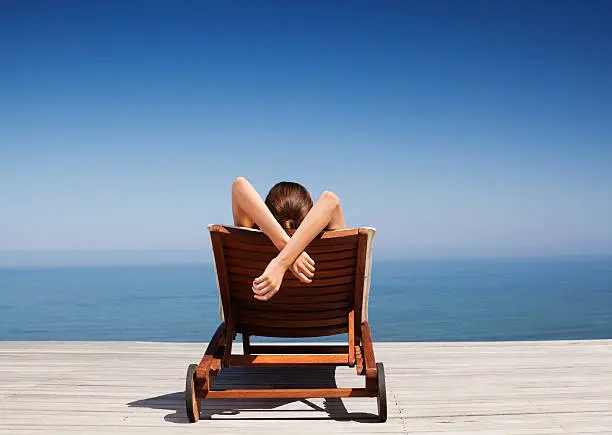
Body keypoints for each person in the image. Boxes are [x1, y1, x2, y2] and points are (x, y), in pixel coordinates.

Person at [231, 177, 346, 301]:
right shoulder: (331, 244)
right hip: (328, 319)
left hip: (255, 320)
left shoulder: (249, 240)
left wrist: (282, 261)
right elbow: (330, 200)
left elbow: (239, 186)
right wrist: (286, 255)